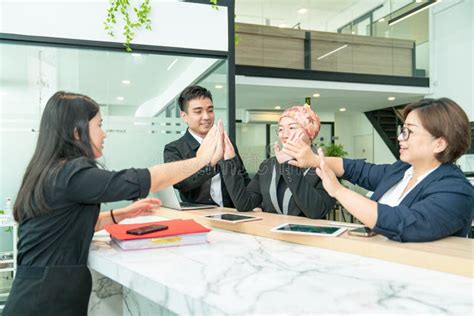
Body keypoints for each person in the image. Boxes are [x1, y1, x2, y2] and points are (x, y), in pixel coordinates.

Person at [3, 91, 219, 316]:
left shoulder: (52, 170)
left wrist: (120, 215)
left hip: (35, 295)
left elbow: (63, 224)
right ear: (78, 132)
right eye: (99, 125)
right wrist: (201, 160)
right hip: (44, 302)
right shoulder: (71, 174)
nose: (104, 134)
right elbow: (150, 178)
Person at [283, 98, 473, 242]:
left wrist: (338, 191)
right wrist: (314, 160)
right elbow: (357, 169)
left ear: (439, 144)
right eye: (402, 129)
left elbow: (403, 224)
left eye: (409, 132)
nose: (400, 138)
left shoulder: (456, 190)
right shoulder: (402, 170)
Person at [219, 105, 336, 219]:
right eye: (280, 129)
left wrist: (289, 164)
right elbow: (244, 204)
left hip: (307, 237)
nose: (284, 135)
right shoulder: (269, 165)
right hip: (272, 235)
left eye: (292, 128)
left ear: (309, 132)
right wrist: (229, 161)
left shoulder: (325, 167)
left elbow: (316, 211)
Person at [164, 85, 250, 207]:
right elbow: (181, 183)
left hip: (231, 214)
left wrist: (254, 203)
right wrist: (211, 163)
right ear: (184, 116)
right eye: (198, 111)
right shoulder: (174, 149)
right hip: (197, 216)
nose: (207, 117)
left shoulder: (226, 142)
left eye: (210, 110)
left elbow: (243, 178)